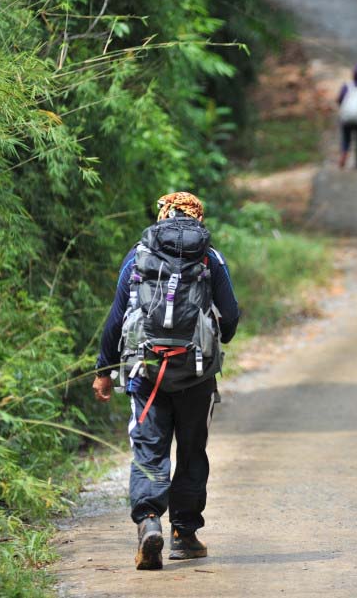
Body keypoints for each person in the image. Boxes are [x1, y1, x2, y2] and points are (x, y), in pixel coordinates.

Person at [92, 191, 240, 571]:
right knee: (192, 450)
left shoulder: (139, 254)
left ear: (163, 214)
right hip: (196, 375)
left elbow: (116, 318)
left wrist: (104, 372)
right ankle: (184, 536)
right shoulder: (210, 256)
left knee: (149, 449)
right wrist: (214, 336)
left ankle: (148, 522)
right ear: (197, 218)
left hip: (146, 374)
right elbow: (231, 317)